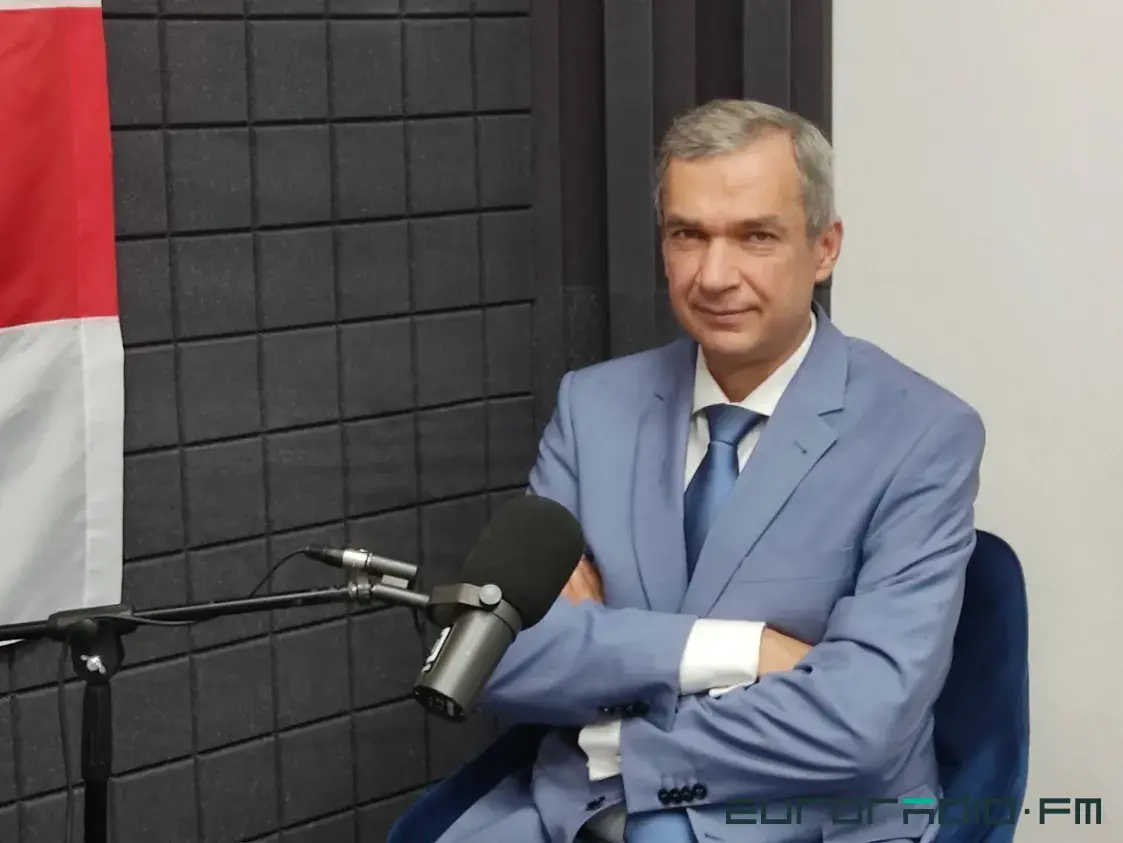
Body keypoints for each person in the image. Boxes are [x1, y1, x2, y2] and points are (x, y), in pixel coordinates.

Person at [434, 99, 985, 843]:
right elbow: (494, 661)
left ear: (825, 248)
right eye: (687, 235)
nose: (715, 276)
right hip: (573, 811)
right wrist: (740, 650)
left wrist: (619, 730)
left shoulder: (922, 433)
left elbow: (865, 721)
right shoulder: (593, 407)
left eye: (756, 236)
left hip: (805, 818)